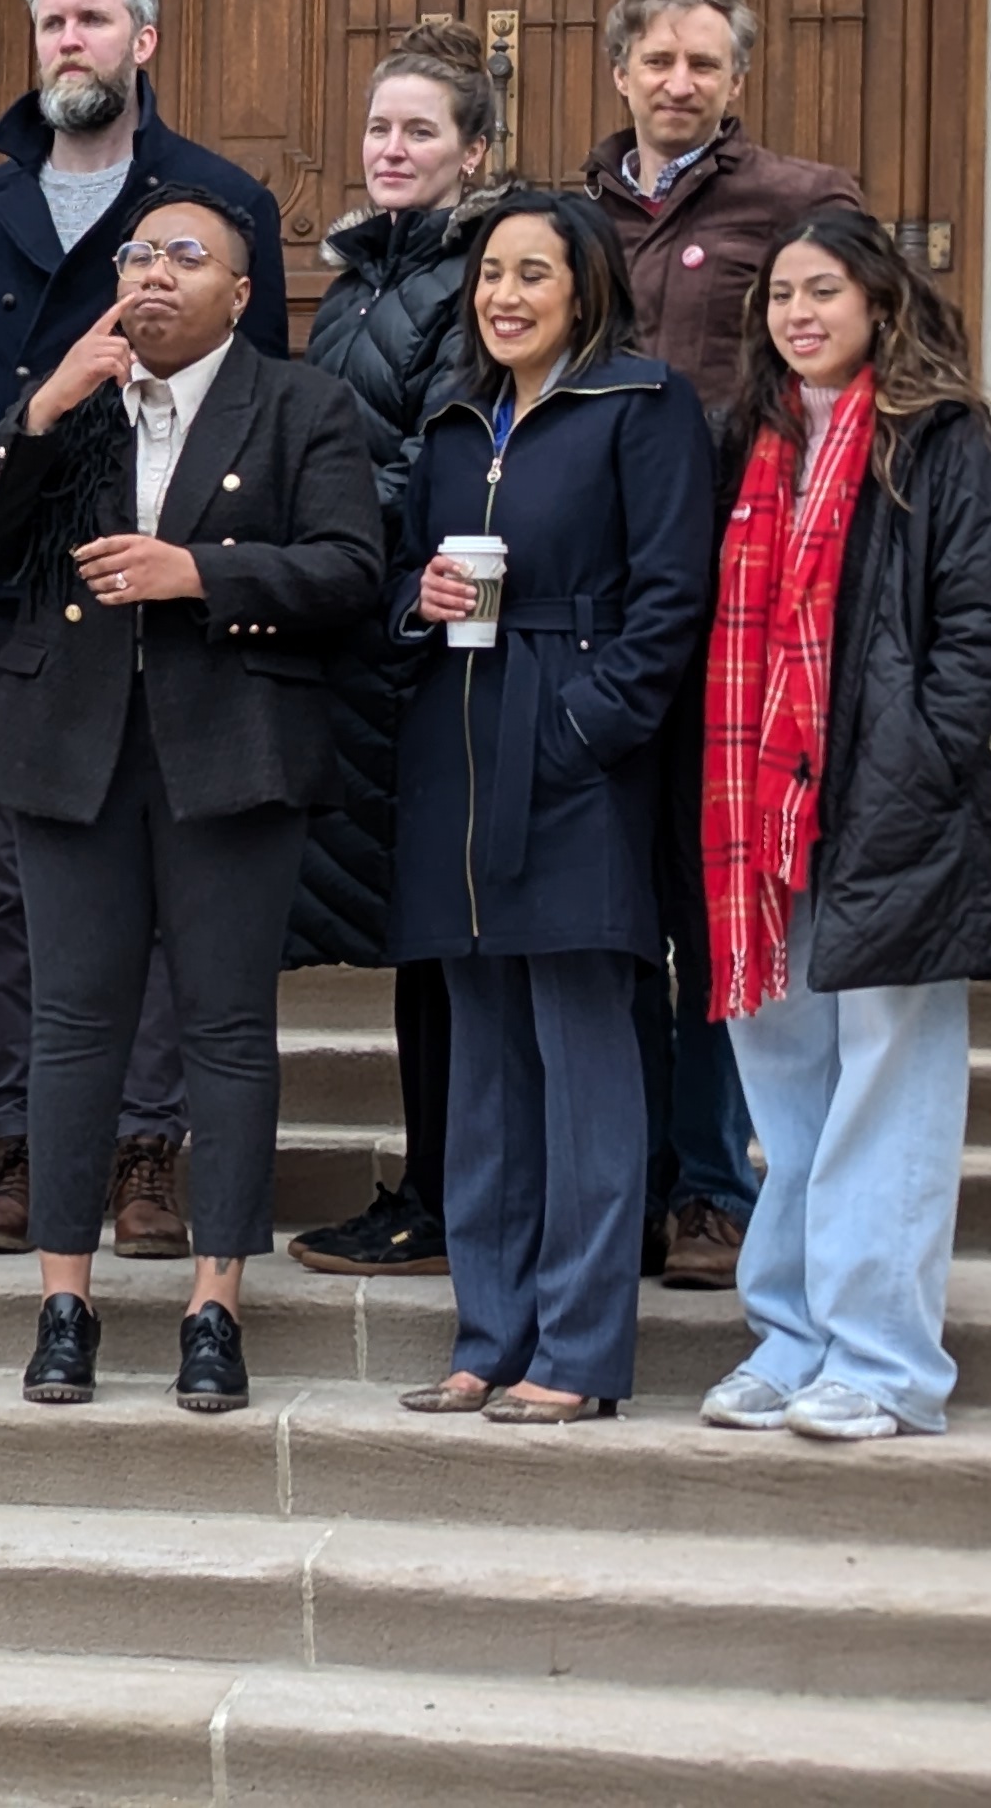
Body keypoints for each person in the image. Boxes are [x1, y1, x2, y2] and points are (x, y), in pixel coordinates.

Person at [0, 185, 380, 1409]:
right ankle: (63, 1303)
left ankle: (213, 1308)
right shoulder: (72, 404)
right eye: (139, 252)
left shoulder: (301, 406)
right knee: (73, 1031)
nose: (157, 272)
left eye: (190, 255)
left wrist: (200, 573)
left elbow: (351, 571)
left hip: (229, 759)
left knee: (227, 1034)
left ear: (242, 292)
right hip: (70, 758)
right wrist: (40, 404)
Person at [0, 0, 291, 1257]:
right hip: (7, 593)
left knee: (174, 894)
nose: (68, 41)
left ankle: (146, 1155)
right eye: (50, 22)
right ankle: (19, 1150)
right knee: (14, 889)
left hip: (165, 592)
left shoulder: (221, 202)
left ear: (145, 42)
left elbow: (268, 410)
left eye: (92, 20)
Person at [697, 211, 991, 1442]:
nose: (797, 313)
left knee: (889, 1088)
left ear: (880, 303)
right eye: (781, 293)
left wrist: (916, 765)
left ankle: (884, 1361)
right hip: (758, 814)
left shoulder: (940, 441)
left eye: (823, 290)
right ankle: (791, 1336)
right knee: (785, 1093)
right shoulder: (751, 439)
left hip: (892, 808)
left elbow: (980, 632)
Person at [387, 191, 711, 1425]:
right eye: (490, 273)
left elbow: (672, 597)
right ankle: (489, 1336)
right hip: (459, 760)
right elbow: (405, 584)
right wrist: (414, 599)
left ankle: (575, 1350)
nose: (505, 294)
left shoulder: (644, 403)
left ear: (585, 288)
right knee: (483, 1077)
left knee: (585, 1067)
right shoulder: (457, 421)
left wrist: (587, 728)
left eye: (533, 273)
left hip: (576, 762)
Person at [579, 0, 864, 1290]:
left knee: (717, 908)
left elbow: (865, 369)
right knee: (613, 906)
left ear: (736, 80)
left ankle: (712, 1185)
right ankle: (619, 1184)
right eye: (659, 59)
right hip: (589, 609)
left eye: (705, 62)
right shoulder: (565, 215)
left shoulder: (800, 203)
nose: (680, 81)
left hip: (738, 611)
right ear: (621, 68)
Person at [284, 20, 500, 1281]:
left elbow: (445, 455)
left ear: (473, 153)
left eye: (423, 130)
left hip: (424, 637)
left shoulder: (470, 277)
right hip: (362, 632)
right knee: (419, 931)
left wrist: (324, 528)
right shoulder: (361, 279)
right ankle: (431, 1186)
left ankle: (448, 1192)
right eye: (379, 127)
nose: (393, 148)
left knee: (442, 933)